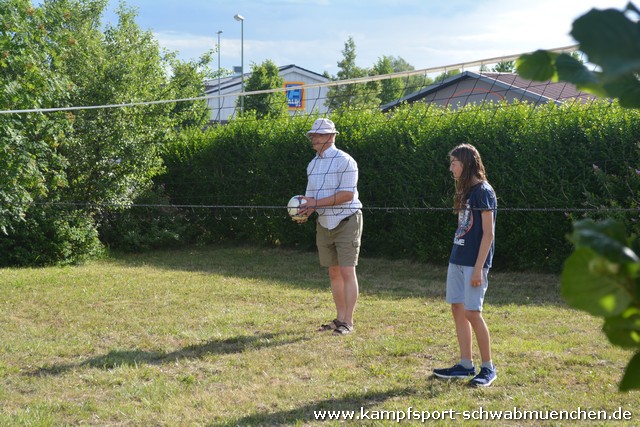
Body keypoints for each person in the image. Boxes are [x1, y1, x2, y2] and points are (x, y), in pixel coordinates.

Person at [433, 143, 498, 387]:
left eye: (454, 163)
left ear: (467, 163)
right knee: (458, 309)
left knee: (472, 312)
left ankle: (488, 368)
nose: (451, 168)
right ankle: (464, 364)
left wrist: (479, 268)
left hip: (474, 263)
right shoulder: (466, 191)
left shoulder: (484, 191)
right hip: (457, 258)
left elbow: (488, 233)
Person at [293, 118, 363, 336]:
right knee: (333, 272)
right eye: (312, 135)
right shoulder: (312, 165)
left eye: (319, 134)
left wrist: (315, 204)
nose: (313, 138)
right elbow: (311, 196)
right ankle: (339, 318)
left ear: (331, 136)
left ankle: (348, 322)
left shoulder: (346, 161)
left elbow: (347, 195)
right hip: (324, 222)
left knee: (346, 270)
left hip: (347, 219)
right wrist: (305, 209)